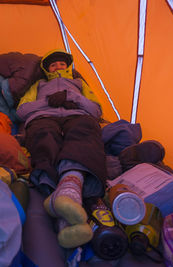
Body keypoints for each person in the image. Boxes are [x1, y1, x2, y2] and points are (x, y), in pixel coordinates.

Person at [16, 49, 108, 248]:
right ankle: (65, 209)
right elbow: (22, 111)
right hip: (43, 117)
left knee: (84, 132)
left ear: (68, 67)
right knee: (45, 139)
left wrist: (73, 98)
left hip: (77, 115)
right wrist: (47, 101)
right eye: (52, 65)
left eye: (61, 64)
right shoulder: (39, 85)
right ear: (46, 70)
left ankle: (67, 192)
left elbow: (97, 110)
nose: (58, 67)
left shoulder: (79, 84)